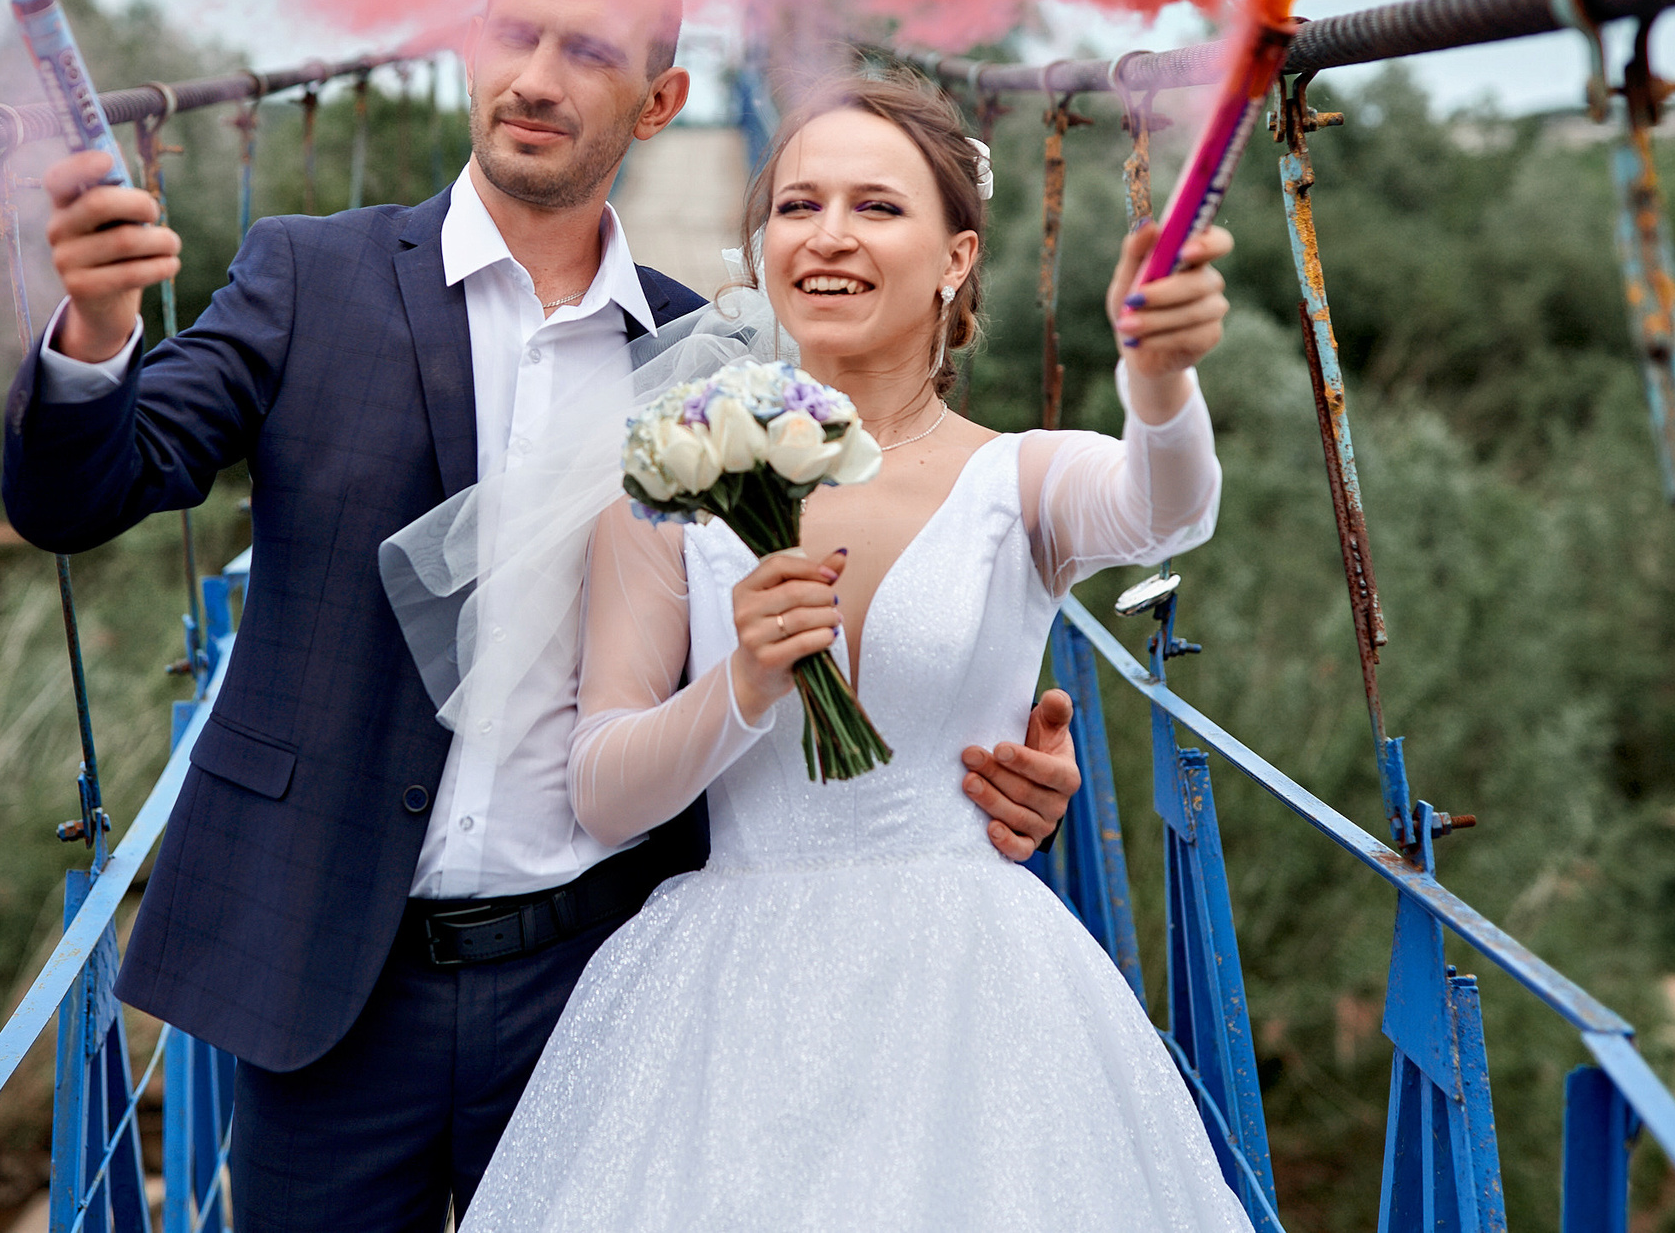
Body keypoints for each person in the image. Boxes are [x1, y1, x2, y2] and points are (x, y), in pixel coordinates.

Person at [0, 0, 1085, 1233]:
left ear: (662, 99)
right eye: (513, 33)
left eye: (587, 50)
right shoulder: (308, 273)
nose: (534, 76)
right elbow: (78, 496)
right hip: (331, 968)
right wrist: (97, 334)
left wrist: (983, 770)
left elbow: (816, 625)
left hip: (605, 968)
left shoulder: (713, 355)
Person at [461, 71, 1258, 1232]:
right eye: (797, 206)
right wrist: (736, 686)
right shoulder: (665, 486)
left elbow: (1165, 508)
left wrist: (1157, 374)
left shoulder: (1020, 478)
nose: (828, 236)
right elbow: (602, 789)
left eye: (878, 208)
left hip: (973, 1007)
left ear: (956, 258)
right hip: (724, 1006)